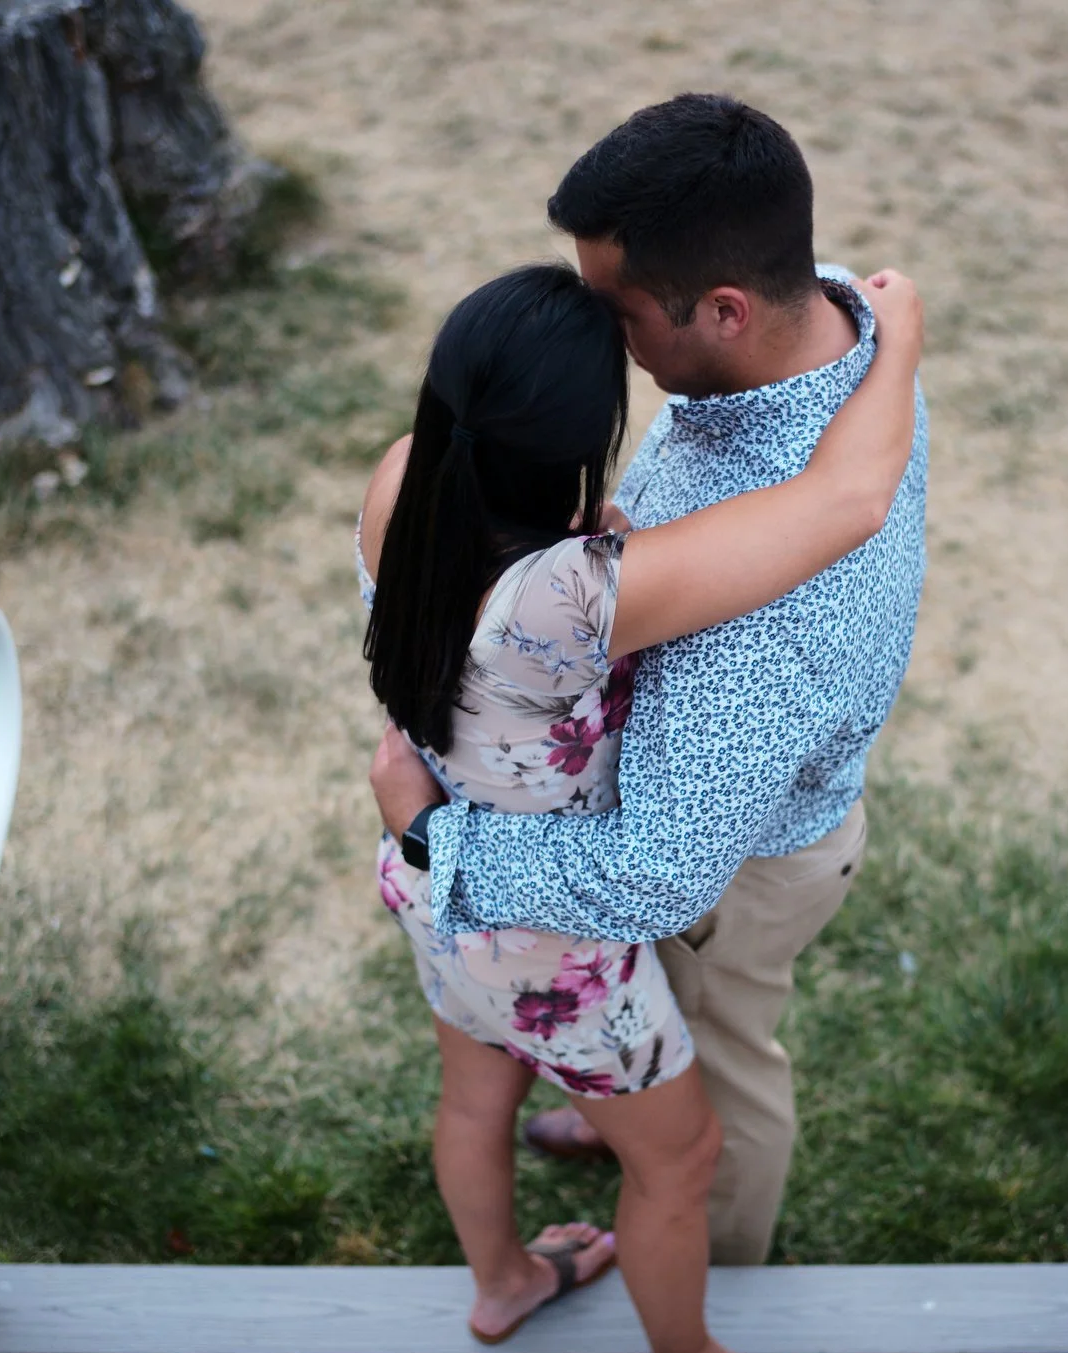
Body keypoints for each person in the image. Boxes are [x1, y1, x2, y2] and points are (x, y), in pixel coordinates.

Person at [369, 94, 931, 1271]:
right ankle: (615, 1089)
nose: (599, 333)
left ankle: (717, 1251)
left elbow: (658, 870)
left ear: (722, 310)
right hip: (655, 812)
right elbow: (849, 473)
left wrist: (434, 844)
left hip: (740, 852)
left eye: (614, 312)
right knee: (642, 1023)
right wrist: (903, 334)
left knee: (722, 1071)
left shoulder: (754, 631)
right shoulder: (828, 318)